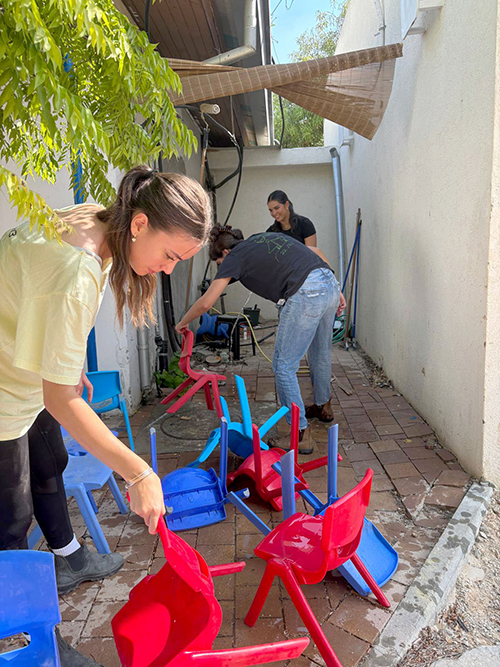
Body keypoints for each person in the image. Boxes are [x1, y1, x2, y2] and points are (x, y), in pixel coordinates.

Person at [0, 165, 212, 666]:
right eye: (170, 255)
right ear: (139, 224)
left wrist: (65, 360)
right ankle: (23, 644)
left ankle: (66, 563)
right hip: (6, 391)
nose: (167, 270)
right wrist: (137, 472)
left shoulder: (95, 216)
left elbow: (34, 292)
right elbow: (60, 399)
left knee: (51, 464)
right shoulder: (79, 270)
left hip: (22, 368)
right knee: (10, 524)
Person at [176, 226, 346, 455]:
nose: (223, 270)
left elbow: (206, 303)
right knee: (320, 353)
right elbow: (315, 251)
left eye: (219, 264)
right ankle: (323, 406)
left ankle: (300, 435)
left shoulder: (234, 257)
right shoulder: (259, 238)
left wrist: (183, 322)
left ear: (224, 253)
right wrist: (333, 289)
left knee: (283, 366)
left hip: (306, 292)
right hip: (328, 282)